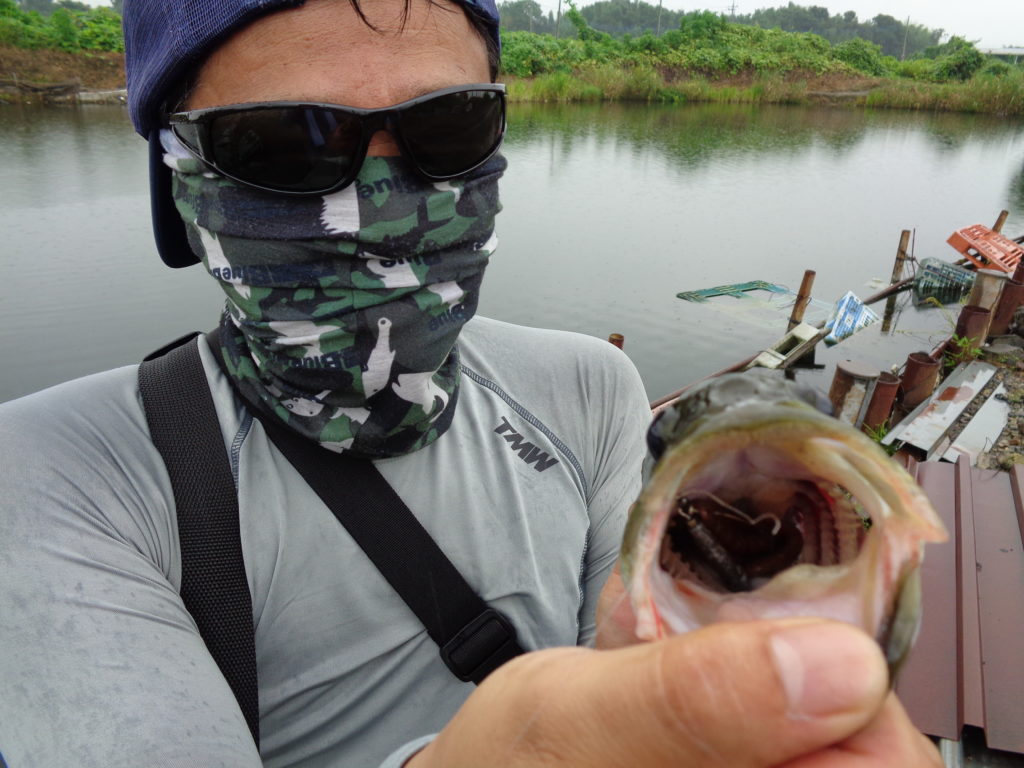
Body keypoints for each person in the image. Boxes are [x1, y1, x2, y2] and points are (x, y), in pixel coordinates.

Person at [0, 0, 941, 766]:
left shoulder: (590, 386)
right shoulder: (53, 479)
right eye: (284, 146)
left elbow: (634, 650)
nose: (378, 206)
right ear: (178, 182)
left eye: (446, 128)